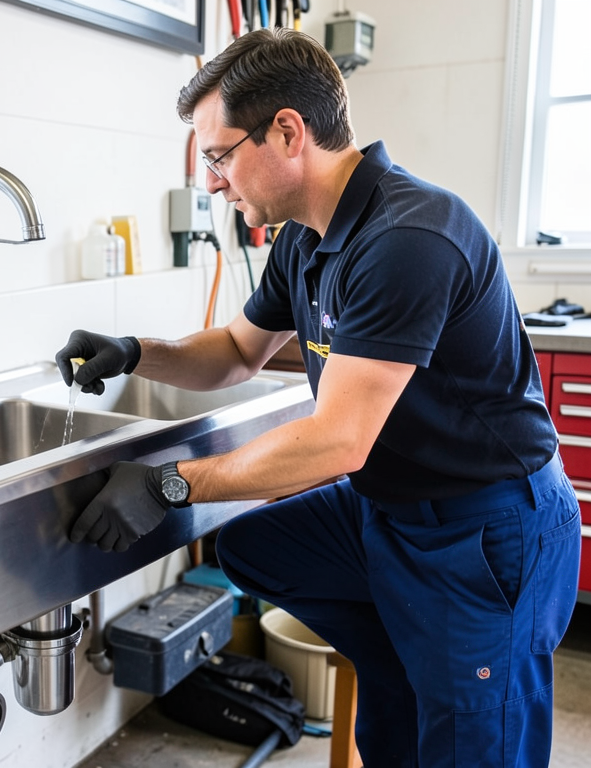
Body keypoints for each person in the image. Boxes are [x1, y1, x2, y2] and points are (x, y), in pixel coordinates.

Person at [55, 27, 581, 768]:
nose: (211, 182)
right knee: (256, 548)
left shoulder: (410, 236)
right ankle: (400, 646)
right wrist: (138, 353)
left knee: (471, 748)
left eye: (218, 155)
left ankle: (432, 649)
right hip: (391, 513)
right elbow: (238, 351)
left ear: (288, 132)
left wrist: (173, 483)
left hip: (485, 530)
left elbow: (338, 440)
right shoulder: (304, 238)